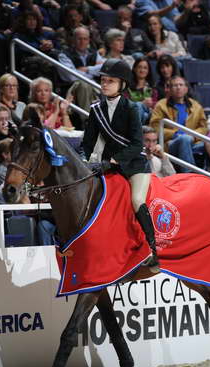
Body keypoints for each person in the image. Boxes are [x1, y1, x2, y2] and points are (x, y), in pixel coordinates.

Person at [82, 59, 159, 268]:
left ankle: (153, 249)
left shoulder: (132, 108)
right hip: (107, 165)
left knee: (136, 200)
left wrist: (114, 161)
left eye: (110, 81)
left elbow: (136, 145)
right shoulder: (96, 109)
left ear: (122, 84)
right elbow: (87, 143)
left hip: (134, 165)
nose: (105, 84)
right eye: (103, 80)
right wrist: (84, 160)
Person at [150, 75, 207, 171]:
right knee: (184, 139)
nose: (178, 87)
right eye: (175, 85)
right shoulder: (161, 105)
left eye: (181, 85)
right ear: (170, 89)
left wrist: (192, 136)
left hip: (194, 141)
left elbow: (204, 127)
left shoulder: (196, 106)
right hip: (170, 143)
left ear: (186, 89)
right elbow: (154, 127)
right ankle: (189, 175)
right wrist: (175, 134)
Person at [126, 57, 158, 124]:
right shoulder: (127, 87)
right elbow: (125, 105)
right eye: (139, 67)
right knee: (139, 107)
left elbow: (156, 106)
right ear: (134, 69)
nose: (142, 70)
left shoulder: (153, 88)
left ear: (148, 71)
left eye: (145, 68)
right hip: (130, 115)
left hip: (149, 115)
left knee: (146, 114)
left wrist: (151, 104)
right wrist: (142, 103)